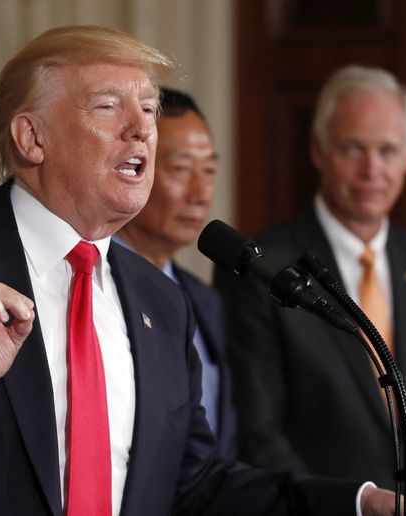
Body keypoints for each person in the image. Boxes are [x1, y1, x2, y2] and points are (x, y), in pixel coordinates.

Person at [0, 27, 406, 515]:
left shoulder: (161, 302)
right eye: (109, 107)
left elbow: (195, 485)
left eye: (148, 110)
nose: (142, 131)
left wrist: (355, 503)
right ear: (32, 138)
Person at [214, 64, 406, 510]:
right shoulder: (262, 268)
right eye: (353, 148)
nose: (371, 169)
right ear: (318, 151)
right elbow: (259, 433)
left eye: (388, 150)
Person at [115, 88, 235, 457]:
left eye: (209, 171)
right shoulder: (94, 284)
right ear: (132, 167)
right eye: (180, 169)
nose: (200, 193)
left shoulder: (205, 300)